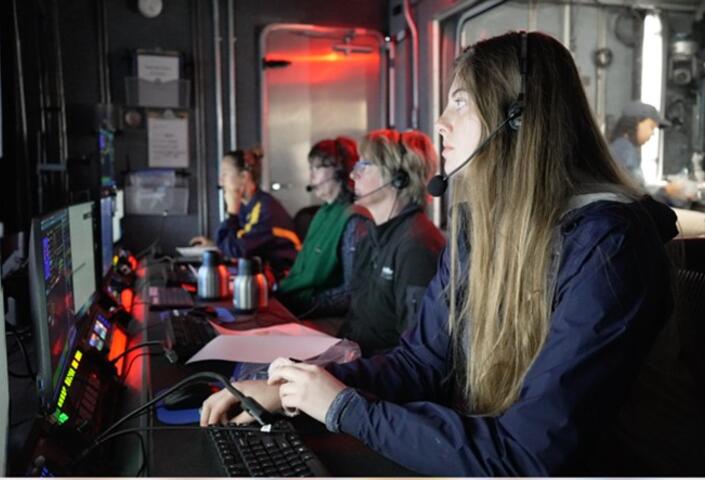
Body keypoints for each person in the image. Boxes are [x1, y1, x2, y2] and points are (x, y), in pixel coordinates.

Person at [200, 32, 678, 476]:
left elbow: (531, 456)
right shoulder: (481, 230)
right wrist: (295, 392)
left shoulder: (609, 245)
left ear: (516, 119)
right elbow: (420, 364)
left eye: (460, 103)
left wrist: (344, 408)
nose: (440, 123)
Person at [336, 128, 445, 355]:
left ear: (398, 178)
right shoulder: (370, 238)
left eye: (363, 166)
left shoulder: (417, 247)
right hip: (359, 366)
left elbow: (418, 354)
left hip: (381, 380)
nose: (353, 175)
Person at [275, 137, 371, 317]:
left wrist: (302, 306)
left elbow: (351, 292)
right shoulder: (323, 213)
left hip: (323, 319)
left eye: (316, 168)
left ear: (339, 171)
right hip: (296, 306)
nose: (311, 177)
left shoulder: (355, 220)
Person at [190, 148, 300, 279]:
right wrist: (216, 246)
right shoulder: (247, 206)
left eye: (225, 174)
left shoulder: (265, 208)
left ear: (244, 177)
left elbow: (238, 250)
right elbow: (240, 241)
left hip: (283, 283)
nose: (220, 182)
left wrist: (232, 212)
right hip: (262, 276)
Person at [608, 100, 671, 186]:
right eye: (651, 127)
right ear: (636, 123)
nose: (652, 133)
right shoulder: (625, 151)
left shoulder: (620, 146)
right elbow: (637, 192)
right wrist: (667, 192)